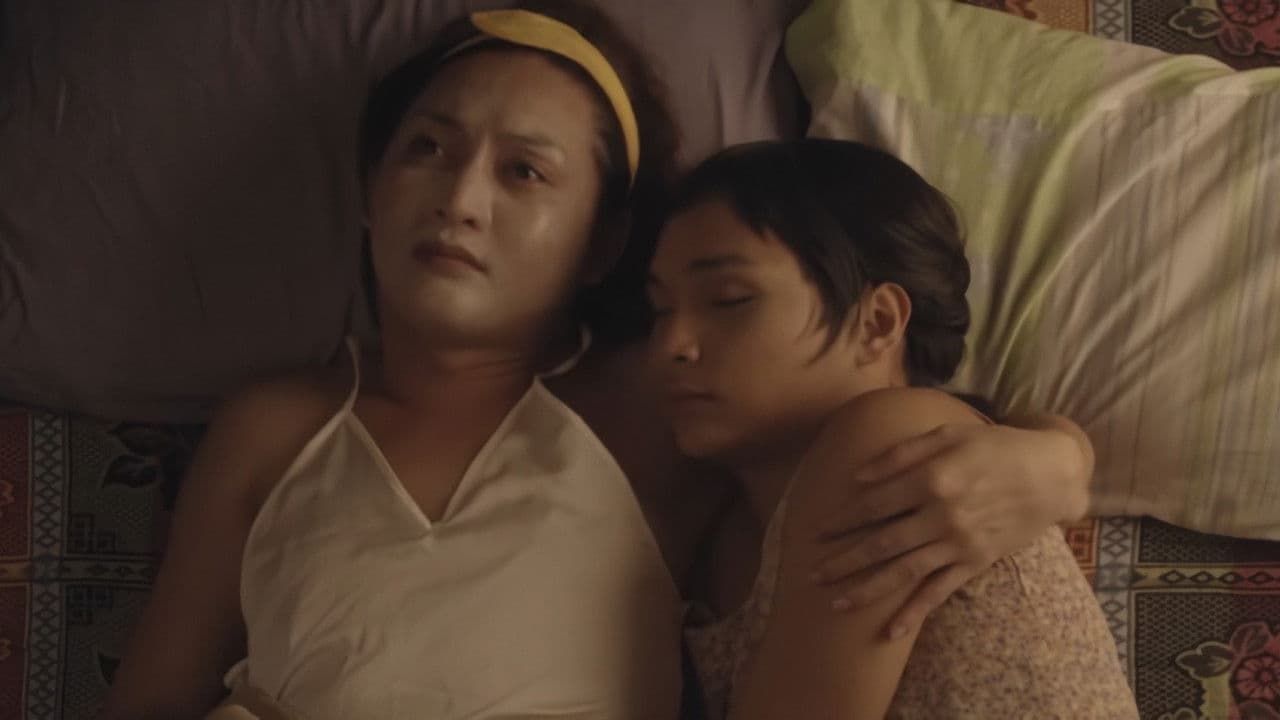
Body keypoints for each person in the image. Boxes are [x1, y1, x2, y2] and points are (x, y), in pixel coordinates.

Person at [99, 3, 1098, 719]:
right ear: (368, 192)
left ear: (602, 242)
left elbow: (856, 418)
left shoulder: (659, 406)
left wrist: (1058, 458)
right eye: (426, 150)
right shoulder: (271, 426)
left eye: (524, 171)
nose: (459, 200)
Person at [651, 139, 1138, 719]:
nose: (671, 344)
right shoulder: (722, 529)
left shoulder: (895, 444)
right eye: (659, 310)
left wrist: (1068, 453)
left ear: (877, 323)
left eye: (730, 299)